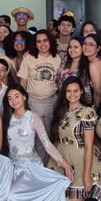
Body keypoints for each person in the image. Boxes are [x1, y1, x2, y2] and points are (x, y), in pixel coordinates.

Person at [0, 84, 72, 201]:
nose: (14, 101)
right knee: (4, 195)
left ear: (24, 97)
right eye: (10, 98)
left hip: (30, 167)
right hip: (12, 166)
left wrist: (64, 163)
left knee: (14, 197)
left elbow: (47, 144)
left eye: (16, 96)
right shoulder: (6, 118)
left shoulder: (33, 118)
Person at [50, 77, 98, 201]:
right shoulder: (61, 111)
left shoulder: (87, 112)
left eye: (76, 91)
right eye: (69, 91)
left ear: (81, 91)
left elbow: (89, 146)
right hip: (63, 156)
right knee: (51, 197)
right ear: (64, 93)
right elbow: (56, 139)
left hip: (80, 158)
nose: (72, 94)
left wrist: (86, 175)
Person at [18, 29, 61, 162]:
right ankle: (39, 165)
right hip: (34, 101)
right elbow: (23, 83)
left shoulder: (57, 58)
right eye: (39, 41)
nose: (42, 44)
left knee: (50, 135)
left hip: (52, 101)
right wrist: (21, 105)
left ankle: (48, 165)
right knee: (37, 136)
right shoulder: (29, 58)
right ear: (35, 44)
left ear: (50, 41)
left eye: (45, 41)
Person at [79, 33, 101, 108]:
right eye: (85, 43)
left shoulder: (95, 65)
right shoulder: (97, 60)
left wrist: (94, 110)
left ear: (98, 48)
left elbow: (98, 93)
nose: (86, 47)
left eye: (91, 45)